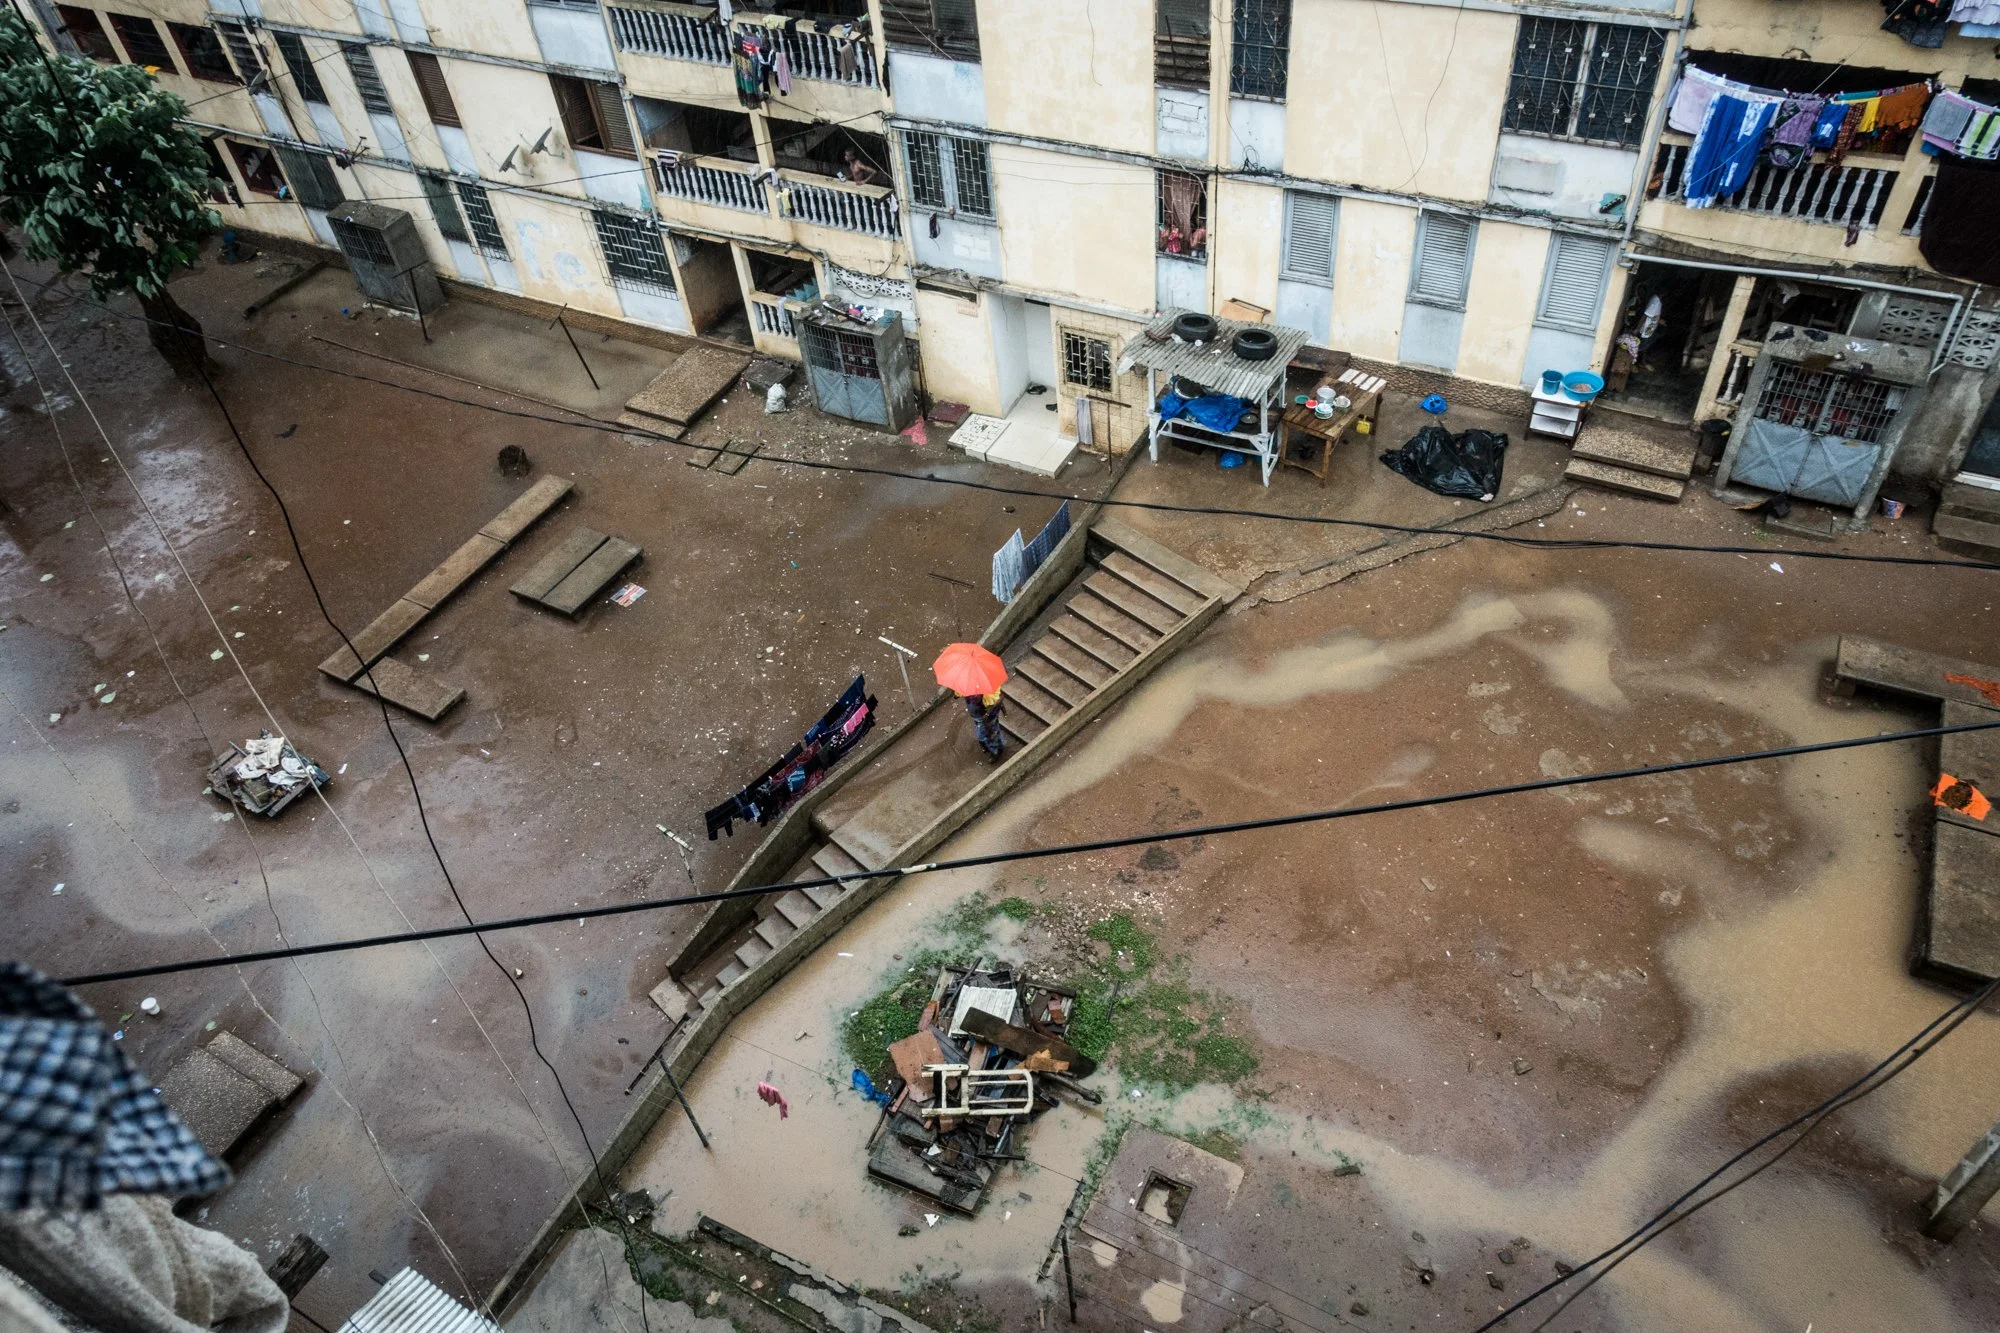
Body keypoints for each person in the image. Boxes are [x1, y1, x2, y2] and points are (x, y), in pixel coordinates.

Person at [965, 689, 1004, 760]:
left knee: (986, 735)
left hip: (985, 718)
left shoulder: (986, 695)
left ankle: (995, 752)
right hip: (979, 716)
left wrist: (987, 714)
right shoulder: (970, 690)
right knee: (992, 732)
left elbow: (999, 698)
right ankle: (1000, 746)